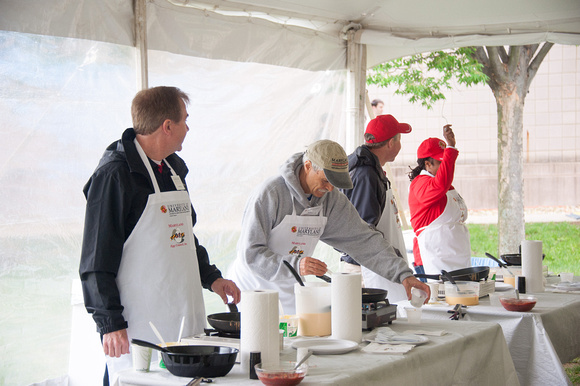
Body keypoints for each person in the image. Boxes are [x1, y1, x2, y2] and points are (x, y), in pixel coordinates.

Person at [79, 86, 241, 385]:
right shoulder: (115, 175)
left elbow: (181, 237)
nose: (188, 127)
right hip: (139, 323)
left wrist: (211, 277)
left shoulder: (174, 170)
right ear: (168, 126)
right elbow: (96, 259)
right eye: (185, 120)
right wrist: (109, 322)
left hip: (183, 315)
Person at [227, 139, 429, 314]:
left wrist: (404, 274)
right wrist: (295, 265)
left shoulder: (331, 200)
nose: (330, 188)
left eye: (335, 182)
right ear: (307, 166)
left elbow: (364, 240)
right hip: (252, 291)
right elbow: (251, 253)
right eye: (325, 180)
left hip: (291, 290)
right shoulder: (271, 194)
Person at [341, 114, 412, 302]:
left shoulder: (373, 170)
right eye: (399, 139)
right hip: (368, 270)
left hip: (382, 266)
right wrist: (392, 259)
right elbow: (363, 231)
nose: (400, 145)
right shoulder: (365, 175)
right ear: (390, 143)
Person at [408, 124, 471, 275]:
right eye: (442, 162)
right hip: (433, 260)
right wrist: (451, 148)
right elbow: (440, 186)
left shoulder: (447, 185)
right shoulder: (421, 184)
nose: (446, 166)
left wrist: (450, 147)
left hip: (457, 258)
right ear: (427, 164)